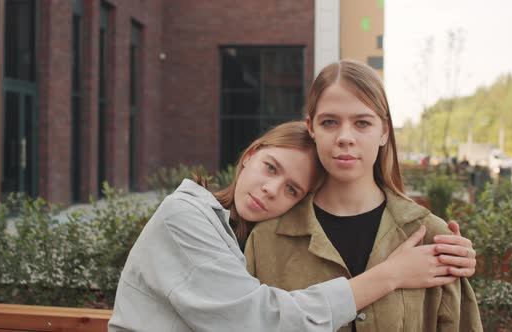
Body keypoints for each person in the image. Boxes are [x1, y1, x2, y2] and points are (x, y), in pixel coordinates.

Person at [109, 121, 477, 332]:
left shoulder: (249, 236)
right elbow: (257, 321)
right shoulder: (185, 217)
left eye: (291, 190)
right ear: (250, 155)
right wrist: (390, 276)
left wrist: (457, 254)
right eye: (271, 167)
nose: (271, 190)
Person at [245, 61, 483, 332]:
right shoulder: (266, 240)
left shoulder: (432, 238)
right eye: (330, 122)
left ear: (384, 131)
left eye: (362, 123)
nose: (345, 137)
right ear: (311, 127)